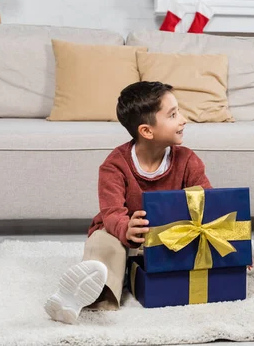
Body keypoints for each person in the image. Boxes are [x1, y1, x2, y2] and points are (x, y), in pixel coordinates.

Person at [45, 81, 211, 324]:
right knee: (104, 244)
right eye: (173, 115)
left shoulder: (188, 161)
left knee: (198, 240)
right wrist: (126, 229)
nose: (183, 120)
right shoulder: (114, 165)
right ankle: (88, 296)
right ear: (146, 131)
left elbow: (209, 203)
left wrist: (233, 242)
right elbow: (111, 212)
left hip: (169, 238)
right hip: (122, 235)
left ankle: (126, 274)